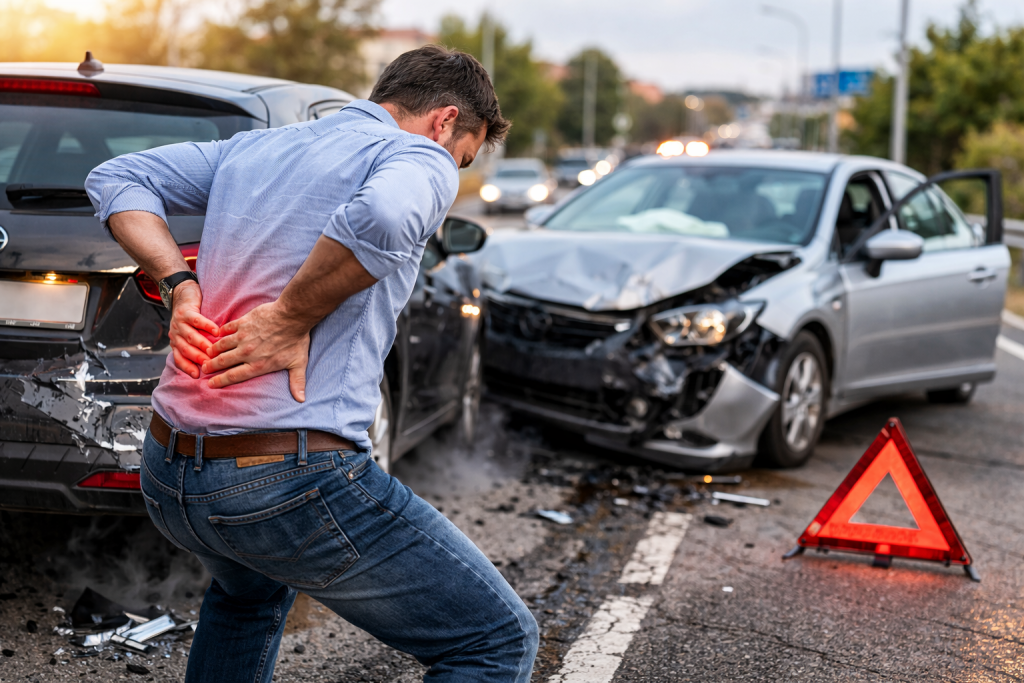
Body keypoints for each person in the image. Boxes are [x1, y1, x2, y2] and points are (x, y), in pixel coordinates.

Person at [85, 46, 536, 683]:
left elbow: (116, 177)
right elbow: (384, 215)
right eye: (464, 156)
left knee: (247, 597)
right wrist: (290, 317)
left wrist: (176, 283)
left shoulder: (256, 148)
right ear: (446, 121)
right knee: (495, 641)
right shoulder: (419, 156)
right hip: (284, 483)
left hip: (168, 470)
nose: (453, 169)